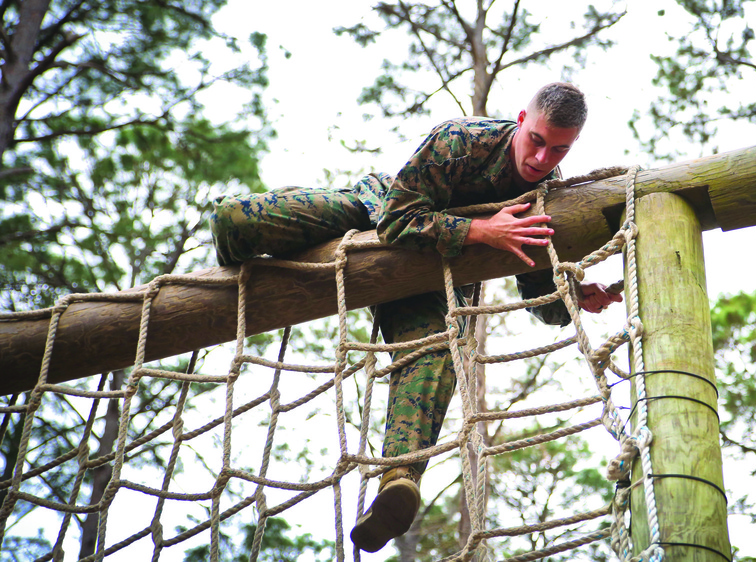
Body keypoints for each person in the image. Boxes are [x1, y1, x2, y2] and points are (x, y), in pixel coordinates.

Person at [209, 82, 621, 553]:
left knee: (436, 352)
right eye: (538, 141)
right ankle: (235, 254)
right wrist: (481, 229)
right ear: (522, 122)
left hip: (432, 282)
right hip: (370, 217)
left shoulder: (545, 190)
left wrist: (572, 297)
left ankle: (398, 481)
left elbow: (535, 285)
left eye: (559, 150)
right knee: (236, 221)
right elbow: (395, 220)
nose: (543, 158)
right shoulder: (462, 142)